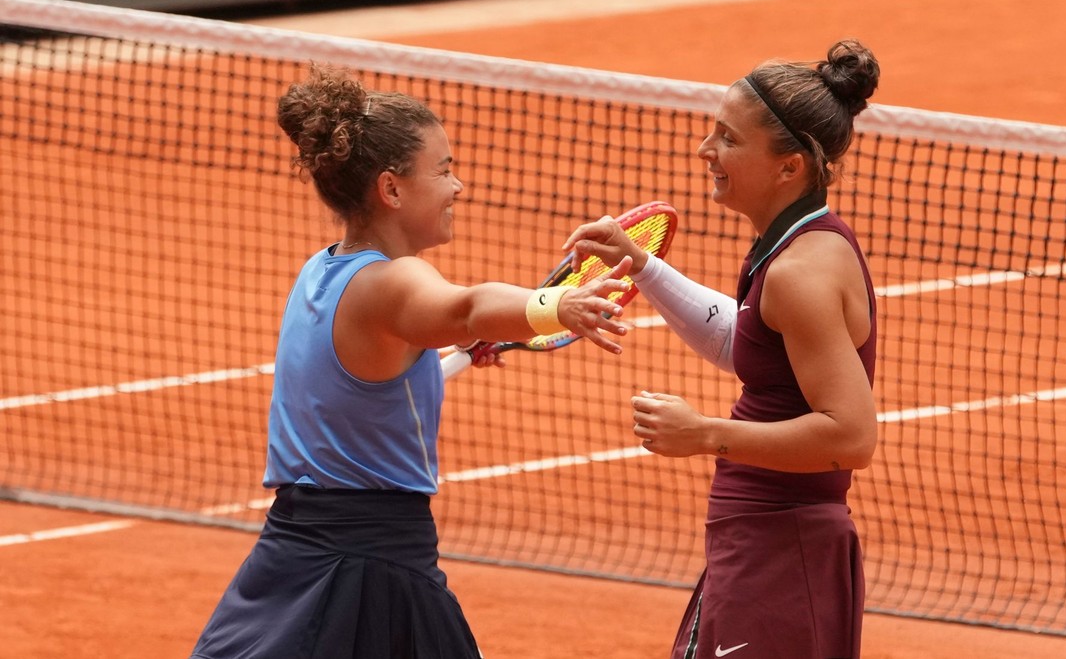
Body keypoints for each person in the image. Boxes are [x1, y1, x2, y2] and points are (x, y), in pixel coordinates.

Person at [190, 64, 632, 659]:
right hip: (372, 567)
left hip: (293, 548)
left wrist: (440, 350)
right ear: (392, 189)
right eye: (443, 170)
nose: (458, 186)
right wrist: (556, 305)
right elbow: (468, 308)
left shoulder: (323, 270)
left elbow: (375, 369)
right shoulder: (394, 283)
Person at [563, 39, 880, 658]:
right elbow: (754, 348)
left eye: (728, 138)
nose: (705, 149)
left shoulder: (800, 272)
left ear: (789, 167)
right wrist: (643, 266)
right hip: (761, 537)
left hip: (783, 550)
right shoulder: (792, 245)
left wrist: (703, 433)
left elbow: (851, 436)